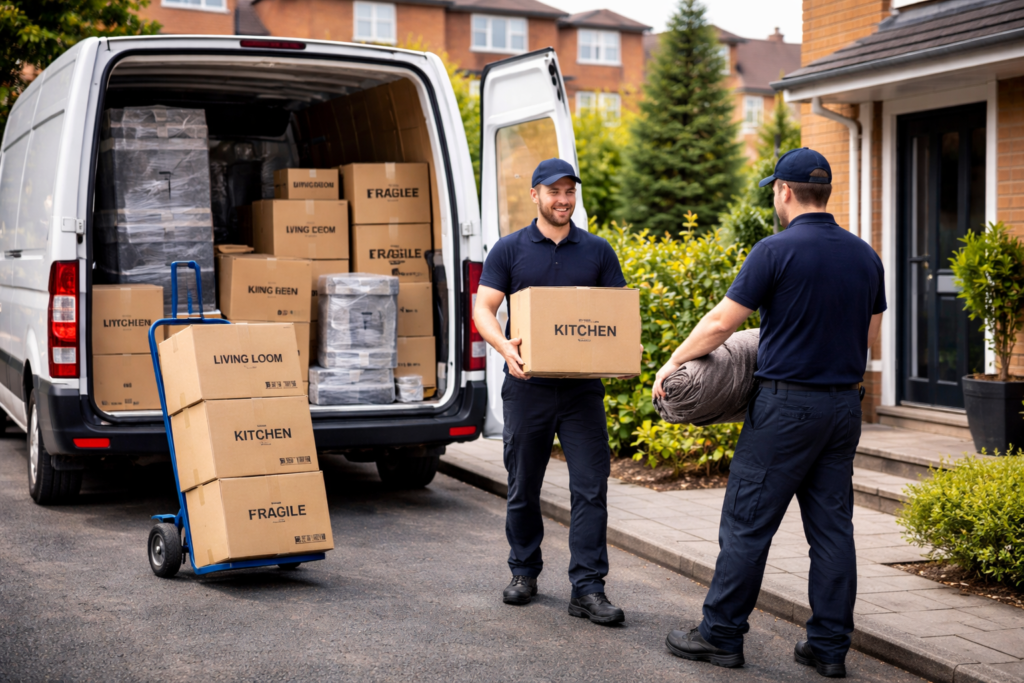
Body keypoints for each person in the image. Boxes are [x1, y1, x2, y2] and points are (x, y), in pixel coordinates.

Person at [652, 148, 885, 677]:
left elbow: (719, 325)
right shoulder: (866, 257)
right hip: (845, 407)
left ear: (783, 191)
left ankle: (720, 636)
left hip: (787, 407)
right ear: (824, 193)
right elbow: (869, 338)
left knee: (747, 524)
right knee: (831, 531)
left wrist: (672, 364)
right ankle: (828, 648)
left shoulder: (774, 251)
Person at [473, 158, 629, 624]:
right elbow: (483, 308)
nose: (563, 200)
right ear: (535, 195)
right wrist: (504, 347)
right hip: (527, 387)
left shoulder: (598, 251)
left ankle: (588, 588)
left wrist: (621, 353)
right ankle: (523, 570)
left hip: (582, 392)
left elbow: (616, 316)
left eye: (570, 192)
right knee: (523, 486)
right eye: (554, 191)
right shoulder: (510, 249)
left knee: (590, 489)